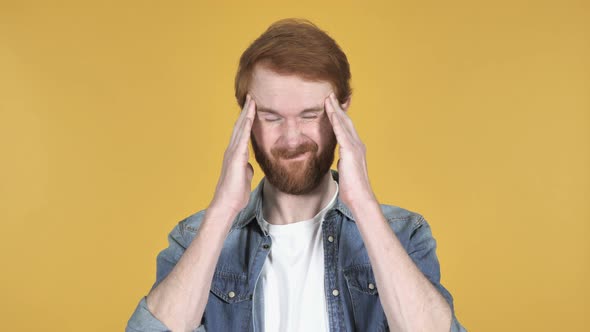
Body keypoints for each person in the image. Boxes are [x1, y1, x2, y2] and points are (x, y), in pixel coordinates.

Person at [126, 18, 466, 332]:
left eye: (310, 115)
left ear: (341, 113)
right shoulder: (194, 238)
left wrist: (362, 202)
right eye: (272, 117)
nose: (291, 138)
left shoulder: (405, 235)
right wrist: (222, 210)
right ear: (246, 117)